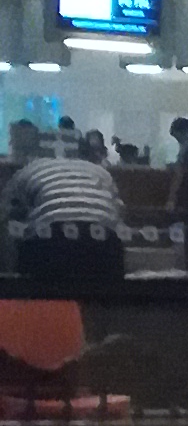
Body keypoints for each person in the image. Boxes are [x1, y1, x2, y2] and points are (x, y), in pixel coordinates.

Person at [6, 120, 126, 295]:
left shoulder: (30, 169)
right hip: (104, 243)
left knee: (39, 294)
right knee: (106, 299)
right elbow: (120, 212)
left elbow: (7, 213)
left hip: (51, 239)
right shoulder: (99, 171)